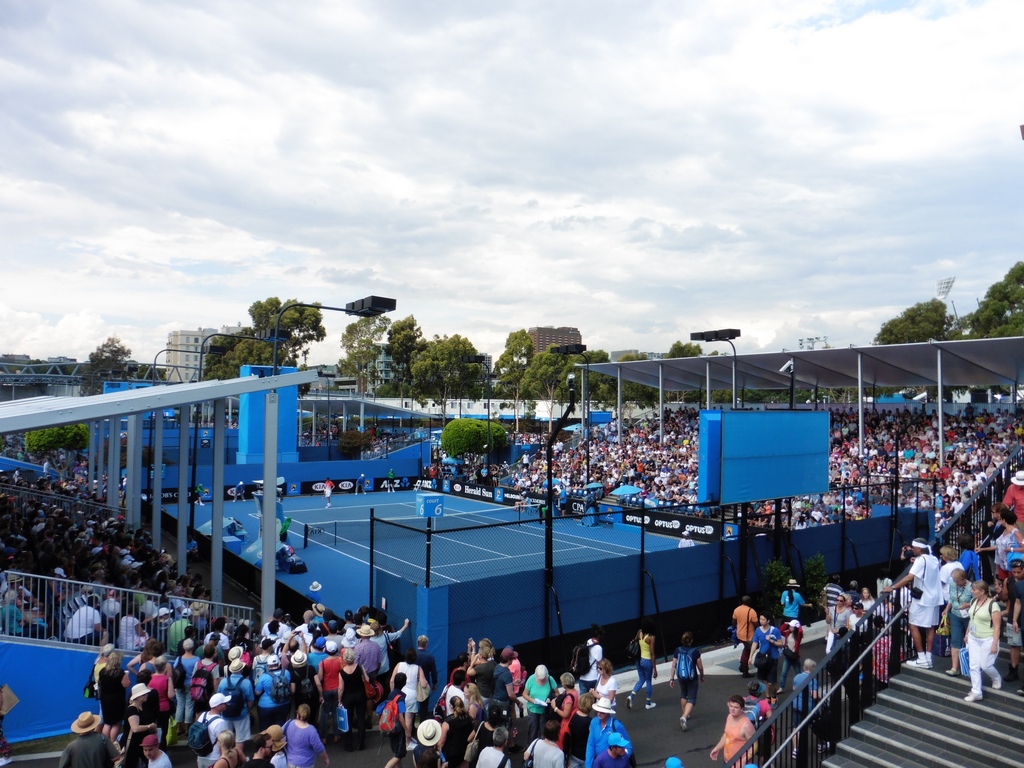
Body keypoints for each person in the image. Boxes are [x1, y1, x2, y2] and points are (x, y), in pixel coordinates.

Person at [884, 538, 942, 668]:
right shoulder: (933, 558)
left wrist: (893, 587)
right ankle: (928, 658)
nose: (912, 549)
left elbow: (909, 577)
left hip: (923, 599)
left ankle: (921, 658)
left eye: (914, 547)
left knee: (913, 625)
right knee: (931, 627)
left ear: (919, 549)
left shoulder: (921, 560)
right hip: (935, 598)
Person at [964, 580, 1002, 702]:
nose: (972, 591)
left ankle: (996, 677)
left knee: (985, 665)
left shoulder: (993, 605)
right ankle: (976, 691)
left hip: (988, 638)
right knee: (973, 665)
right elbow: (972, 618)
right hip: (974, 637)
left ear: (982, 591)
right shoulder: (973, 601)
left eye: (974, 590)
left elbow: (997, 626)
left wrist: (994, 644)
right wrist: (967, 633)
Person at [392, 648, 429, 749]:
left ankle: (401, 738)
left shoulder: (399, 665)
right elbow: (424, 684)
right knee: (409, 719)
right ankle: (407, 742)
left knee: (399, 717)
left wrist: (393, 694)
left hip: (399, 694)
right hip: (411, 696)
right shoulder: (418, 668)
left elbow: (392, 680)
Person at [669, 630, 703, 731]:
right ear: (691, 640)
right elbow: (700, 666)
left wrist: (672, 678)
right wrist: (702, 675)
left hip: (681, 677)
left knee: (684, 694)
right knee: (692, 698)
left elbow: (674, 665)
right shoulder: (695, 651)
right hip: (692, 678)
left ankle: (685, 714)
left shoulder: (677, 650)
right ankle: (684, 717)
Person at [708, 695, 755, 765]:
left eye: (736, 707)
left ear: (742, 709)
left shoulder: (746, 725)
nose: (732, 709)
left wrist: (744, 760)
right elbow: (726, 735)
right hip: (727, 762)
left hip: (740, 764)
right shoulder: (730, 717)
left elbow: (755, 744)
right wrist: (717, 748)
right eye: (731, 706)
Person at [338, 647, 370, 752]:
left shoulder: (341, 672)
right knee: (361, 718)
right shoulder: (360, 667)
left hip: (348, 697)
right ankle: (360, 743)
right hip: (360, 695)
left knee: (348, 720)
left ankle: (349, 744)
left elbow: (341, 688)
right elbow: (367, 679)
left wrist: (339, 700)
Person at [585, 697, 630, 768]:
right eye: (597, 711)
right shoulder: (594, 722)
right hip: (599, 763)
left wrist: (621, 759)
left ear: (608, 712)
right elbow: (590, 745)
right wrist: (588, 766)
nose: (599, 714)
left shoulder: (617, 725)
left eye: (602, 712)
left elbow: (628, 746)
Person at [943, 568, 972, 677]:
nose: (955, 582)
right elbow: (951, 598)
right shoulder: (952, 582)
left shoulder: (971, 587)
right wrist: (947, 609)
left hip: (969, 617)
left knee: (969, 641)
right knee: (955, 641)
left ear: (963, 579)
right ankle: (955, 668)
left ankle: (969, 668)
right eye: (954, 580)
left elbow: (976, 601)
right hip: (955, 615)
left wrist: (967, 605)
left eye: (957, 581)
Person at [377, 671, 408, 768]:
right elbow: (401, 716)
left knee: (396, 751)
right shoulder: (401, 697)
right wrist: (407, 730)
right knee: (400, 753)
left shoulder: (390, 695)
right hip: (398, 728)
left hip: (389, 725)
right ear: (404, 683)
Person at [98, 650, 129, 745]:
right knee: (116, 723)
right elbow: (126, 685)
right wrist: (127, 676)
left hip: (105, 699)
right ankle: (113, 743)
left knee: (107, 723)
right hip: (117, 700)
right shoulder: (120, 672)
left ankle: (105, 743)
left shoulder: (102, 671)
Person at [122, 684, 157, 768]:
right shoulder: (132, 710)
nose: (146, 695)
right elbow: (135, 728)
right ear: (137, 697)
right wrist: (149, 726)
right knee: (131, 764)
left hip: (143, 741)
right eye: (144, 694)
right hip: (133, 743)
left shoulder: (144, 705)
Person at [625, 618, 656, 710]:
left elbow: (635, 642)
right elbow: (652, 653)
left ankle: (631, 696)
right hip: (647, 660)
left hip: (638, 660)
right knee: (648, 681)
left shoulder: (639, 633)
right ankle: (648, 703)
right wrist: (654, 667)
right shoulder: (651, 638)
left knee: (641, 679)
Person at [254, 654, 292, 730]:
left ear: (268, 666)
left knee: (265, 730)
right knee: (281, 729)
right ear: (279, 664)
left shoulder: (264, 676)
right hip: (284, 704)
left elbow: (257, 692)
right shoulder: (287, 673)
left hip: (265, 706)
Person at [522, 665, 558, 745]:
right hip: (532, 709)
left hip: (545, 710)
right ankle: (531, 749)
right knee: (533, 731)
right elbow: (524, 694)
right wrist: (532, 700)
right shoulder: (531, 679)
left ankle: (543, 749)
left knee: (544, 732)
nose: (541, 681)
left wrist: (551, 699)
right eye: (539, 679)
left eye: (543, 679)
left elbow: (557, 693)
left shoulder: (550, 679)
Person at [195, 693, 232, 768]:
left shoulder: (203, 715)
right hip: (214, 758)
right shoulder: (220, 722)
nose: (226, 704)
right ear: (218, 707)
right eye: (224, 703)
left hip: (201, 755)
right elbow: (222, 743)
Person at [437, 697, 473, 768]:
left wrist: (438, 750)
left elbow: (441, 742)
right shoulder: (468, 718)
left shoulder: (447, 722)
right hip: (463, 751)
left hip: (450, 754)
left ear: (451, 707)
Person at [751, 614, 783, 685]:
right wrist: (750, 657)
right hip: (763, 658)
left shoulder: (775, 630)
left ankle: (773, 695)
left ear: (768, 621)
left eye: (763, 619)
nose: (761, 621)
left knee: (771, 683)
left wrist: (771, 641)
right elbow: (755, 643)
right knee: (764, 681)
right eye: (760, 619)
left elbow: (781, 643)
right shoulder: (758, 630)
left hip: (773, 658)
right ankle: (768, 696)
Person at [731, 596, 758, 678]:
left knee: (746, 650)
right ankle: (744, 670)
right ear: (749, 602)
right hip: (749, 636)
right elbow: (756, 625)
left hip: (740, 635)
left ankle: (742, 665)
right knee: (747, 652)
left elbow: (733, 623)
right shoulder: (751, 611)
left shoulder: (737, 609)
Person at [577, 625, 604, 694]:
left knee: (584, 702)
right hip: (593, 678)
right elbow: (599, 664)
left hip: (582, 678)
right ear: (599, 636)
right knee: (594, 701)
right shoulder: (598, 648)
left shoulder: (588, 642)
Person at [778, 620, 803, 690]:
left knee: (798, 673)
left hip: (795, 657)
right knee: (783, 673)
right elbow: (780, 632)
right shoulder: (788, 633)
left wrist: (798, 625)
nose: (790, 628)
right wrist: (784, 624)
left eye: (792, 627)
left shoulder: (798, 635)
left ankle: (800, 686)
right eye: (790, 626)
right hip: (788, 656)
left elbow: (801, 631)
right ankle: (781, 687)